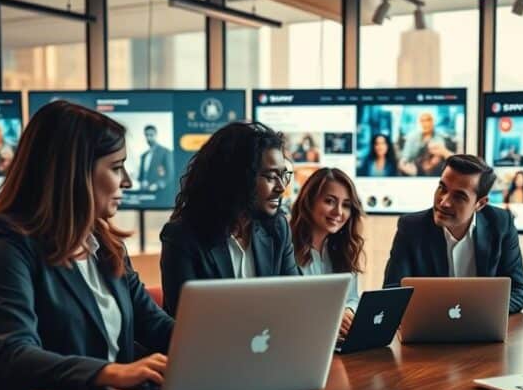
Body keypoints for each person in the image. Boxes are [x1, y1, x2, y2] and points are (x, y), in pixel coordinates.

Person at [0, 100, 173, 390]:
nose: (127, 181)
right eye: (116, 168)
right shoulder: (7, 245)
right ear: (74, 173)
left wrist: (219, 348)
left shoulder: (105, 245)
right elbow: (13, 353)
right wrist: (112, 373)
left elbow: (152, 324)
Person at [160, 122, 300, 316]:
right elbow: (189, 320)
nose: (281, 188)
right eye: (270, 176)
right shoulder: (182, 237)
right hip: (210, 345)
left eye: (283, 175)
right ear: (237, 178)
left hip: (270, 341)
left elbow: (296, 300)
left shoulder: (277, 229)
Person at [383, 154, 523, 314]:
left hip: (481, 328)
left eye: (459, 196)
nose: (444, 202)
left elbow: (518, 290)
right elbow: (392, 291)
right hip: (429, 331)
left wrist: (477, 314)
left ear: (480, 204)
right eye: (442, 188)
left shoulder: (501, 223)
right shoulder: (411, 227)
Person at [290, 168, 364, 340]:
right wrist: (333, 316)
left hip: (332, 342)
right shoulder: (286, 248)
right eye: (330, 201)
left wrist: (347, 311)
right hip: (299, 341)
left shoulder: (344, 248)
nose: (338, 212)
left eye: (346, 205)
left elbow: (353, 297)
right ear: (310, 201)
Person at [399, 112, 450, 177]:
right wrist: (407, 167)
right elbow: (405, 158)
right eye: (423, 121)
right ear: (420, 123)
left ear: (432, 122)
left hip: (434, 172)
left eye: (428, 120)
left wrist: (432, 163)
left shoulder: (440, 137)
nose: (426, 123)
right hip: (414, 170)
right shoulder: (412, 137)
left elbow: (440, 155)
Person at [138, 125, 174, 194]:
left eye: (151, 135)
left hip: (159, 193)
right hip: (143, 192)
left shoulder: (165, 152)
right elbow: (141, 176)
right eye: (146, 135)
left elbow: (170, 174)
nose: (148, 138)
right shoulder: (144, 155)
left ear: (156, 135)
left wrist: (157, 185)